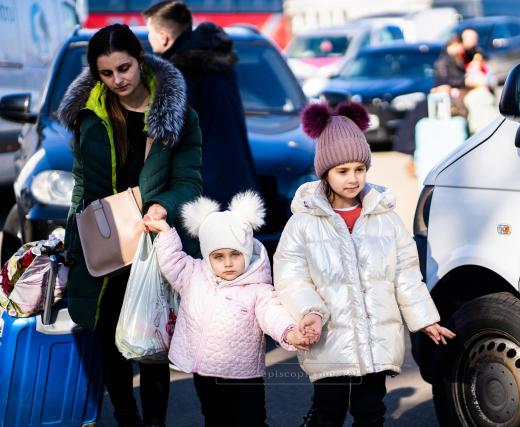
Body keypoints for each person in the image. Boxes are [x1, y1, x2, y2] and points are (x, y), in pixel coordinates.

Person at [273, 102, 456, 427]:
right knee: (328, 413)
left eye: (360, 169)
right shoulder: (303, 223)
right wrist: (310, 312)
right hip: (329, 339)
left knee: (371, 413)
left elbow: (405, 274)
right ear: (325, 172)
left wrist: (424, 319)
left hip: (376, 341)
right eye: (342, 171)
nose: (353, 178)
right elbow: (291, 277)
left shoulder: (386, 218)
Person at [57, 24, 203, 427]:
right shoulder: (90, 115)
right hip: (104, 243)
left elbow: (189, 181)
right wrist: (72, 242)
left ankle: (154, 423)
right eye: (106, 73)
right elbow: (82, 184)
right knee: (108, 338)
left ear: (140, 59)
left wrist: (161, 207)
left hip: (153, 242)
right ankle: (126, 417)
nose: (117, 80)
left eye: (124, 68)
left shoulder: (177, 116)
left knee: (152, 341)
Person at [143, 191, 313, 427]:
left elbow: (272, 313)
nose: (228, 263)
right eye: (218, 257)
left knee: (251, 421)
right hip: (205, 372)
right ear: (207, 256)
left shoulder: (257, 288)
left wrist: (290, 332)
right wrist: (165, 232)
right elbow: (172, 259)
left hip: (244, 376)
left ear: (247, 252)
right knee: (215, 419)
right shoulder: (193, 274)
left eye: (235, 254)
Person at [144, 1, 260, 208]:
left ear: (163, 37)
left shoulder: (175, 74)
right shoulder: (222, 67)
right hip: (239, 182)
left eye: (150, 32)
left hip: (200, 190)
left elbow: (168, 139)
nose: (149, 38)